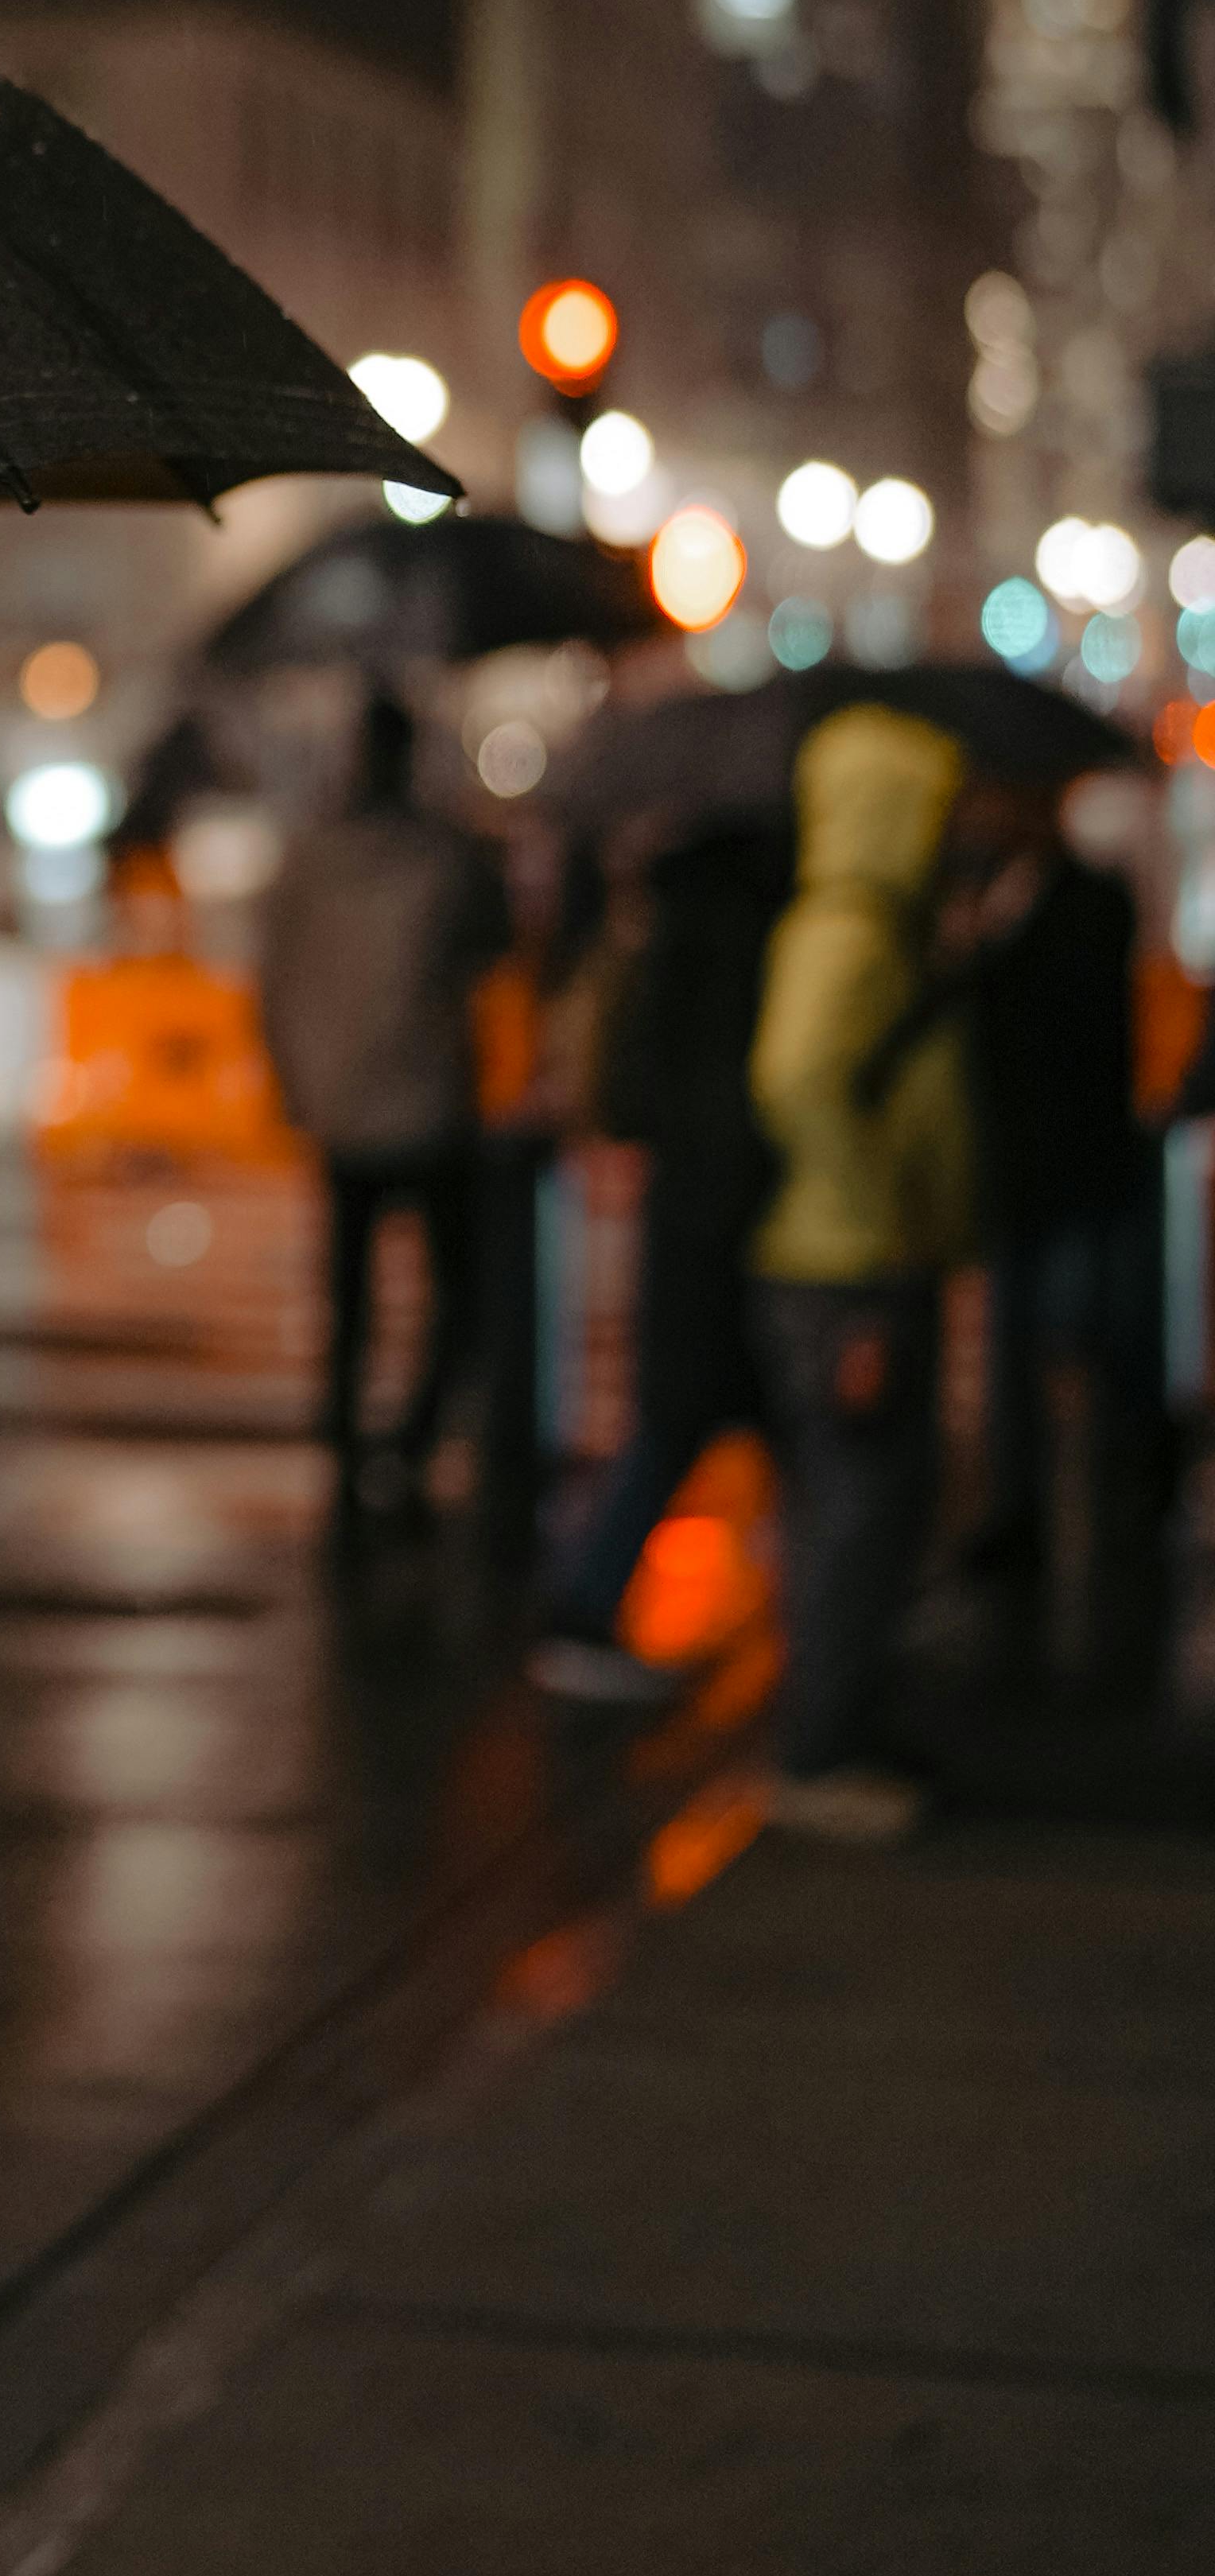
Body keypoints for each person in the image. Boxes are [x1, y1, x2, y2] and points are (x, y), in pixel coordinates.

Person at [744, 708, 984, 1839]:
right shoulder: (849, 930)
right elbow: (797, 1075)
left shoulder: (879, 927)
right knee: (855, 1509)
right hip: (848, 1273)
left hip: (866, 1259)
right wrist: (874, 1214)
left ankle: (847, 1731)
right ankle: (823, 1750)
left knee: (874, 1509)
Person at [528, 806, 790, 1699]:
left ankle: (589, 1600)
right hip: (725, 1216)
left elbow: (634, 1085)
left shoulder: (662, 935)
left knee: (693, 1421)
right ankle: (585, 1603)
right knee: (708, 1420)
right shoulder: (740, 938)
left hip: (682, 1206)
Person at [256, 688, 507, 1523]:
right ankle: (410, 1442)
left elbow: (274, 981)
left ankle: (345, 1452)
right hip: (430, 1101)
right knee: (456, 1293)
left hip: (341, 1106)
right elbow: (494, 943)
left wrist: (294, 1082)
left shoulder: (306, 858)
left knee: (350, 1295)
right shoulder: (444, 854)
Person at [962, 795, 1163, 1613]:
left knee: (1097, 1345)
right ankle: (1029, 1517)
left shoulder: (1088, 902)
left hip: (1076, 1165)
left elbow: (1068, 1028)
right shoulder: (991, 901)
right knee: (1019, 1359)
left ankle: (1123, 1507)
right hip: (1022, 1173)